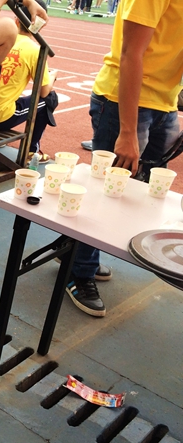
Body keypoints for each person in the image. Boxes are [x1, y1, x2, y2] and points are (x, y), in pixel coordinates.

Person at [66, 0, 183, 318]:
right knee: (106, 190)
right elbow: (131, 53)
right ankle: (78, 271)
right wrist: (128, 131)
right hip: (125, 102)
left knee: (140, 192)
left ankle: (75, 255)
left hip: (164, 104)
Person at [0, 0, 58, 161]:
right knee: (50, 98)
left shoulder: (1, 38)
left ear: (16, 20)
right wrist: (52, 77)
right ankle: (31, 150)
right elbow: (44, 91)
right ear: (41, 25)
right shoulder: (35, 50)